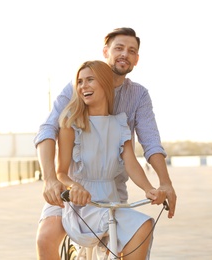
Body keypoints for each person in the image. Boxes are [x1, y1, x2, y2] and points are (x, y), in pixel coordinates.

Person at [34, 27, 177, 259]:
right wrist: (50, 180)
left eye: (131, 51)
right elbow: (48, 130)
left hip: (111, 190)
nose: (124, 54)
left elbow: (148, 144)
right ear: (106, 51)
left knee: (132, 238)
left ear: (136, 59)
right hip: (72, 190)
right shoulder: (74, 99)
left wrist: (159, 185)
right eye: (118, 48)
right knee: (46, 237)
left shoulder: (133, 104)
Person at [56, 60, 166, 259]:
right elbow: (61, 172)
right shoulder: (71, 123)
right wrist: (74, 187)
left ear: (106, 83)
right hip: (84, 204)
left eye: (90, 80)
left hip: (111, 199)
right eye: (79, 82)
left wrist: (149, 188)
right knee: (115, 225)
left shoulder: (119, 123)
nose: (83, 86)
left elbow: (131, 163)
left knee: (145, 226)